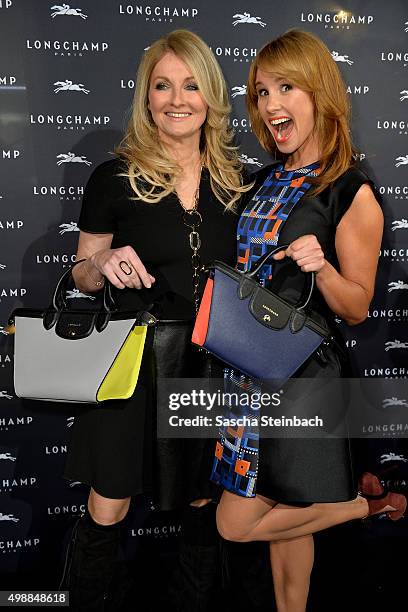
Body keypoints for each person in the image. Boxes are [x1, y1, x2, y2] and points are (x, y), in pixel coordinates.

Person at [211, 30, 406, 612]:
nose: (270, 105)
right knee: (286, 522)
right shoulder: (265, 179)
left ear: (320, 91)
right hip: (244, 376)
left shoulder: (351, 190)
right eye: (262, 91)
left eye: (286, 87)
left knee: (234, 523)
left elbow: (357, 305)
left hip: (301, 379)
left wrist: (321, 267)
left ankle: (369, 506)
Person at [61, 29, 250, 611]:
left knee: (200, 501)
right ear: (146, 97)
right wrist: (102, 262)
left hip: (209, 366)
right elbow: (80, 276)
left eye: (191, 85)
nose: (177, 99)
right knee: (110, 501)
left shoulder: (240, 181)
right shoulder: (112, 177)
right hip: (133, 363)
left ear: (212, 96)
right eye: (163, 85)